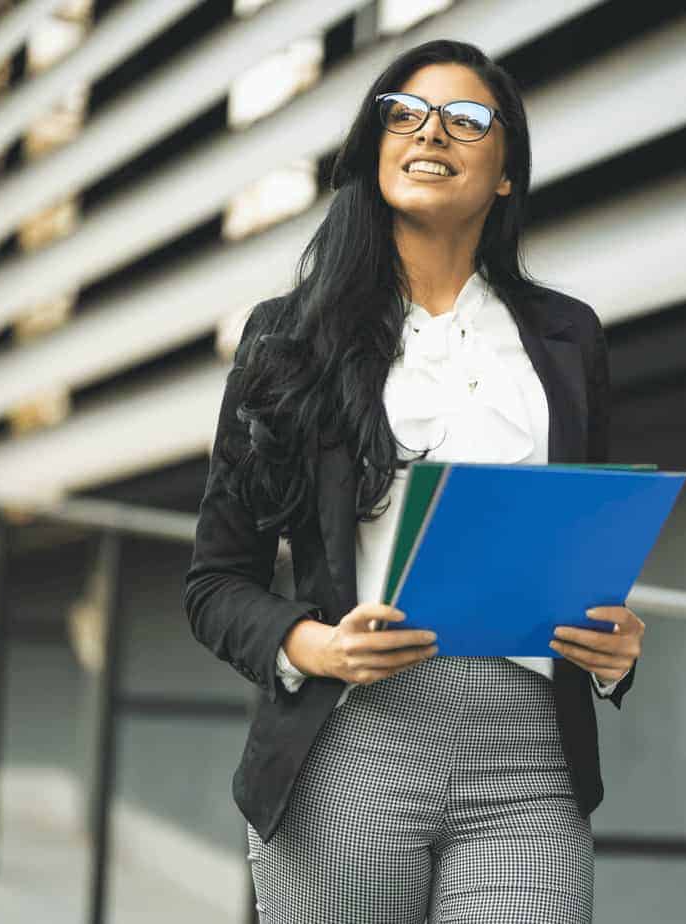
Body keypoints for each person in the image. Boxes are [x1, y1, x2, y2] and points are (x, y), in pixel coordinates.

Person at [182, 39, 644, 923]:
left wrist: (614, 648)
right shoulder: (288, 342)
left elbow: (580, 547)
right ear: (377, 146)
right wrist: (313, 646)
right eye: (405, 111)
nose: (433, 130)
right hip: (349, 750)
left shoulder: (566, 339)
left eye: (468, 119)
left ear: (505, 170)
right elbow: (215, 582)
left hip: (529, 767)